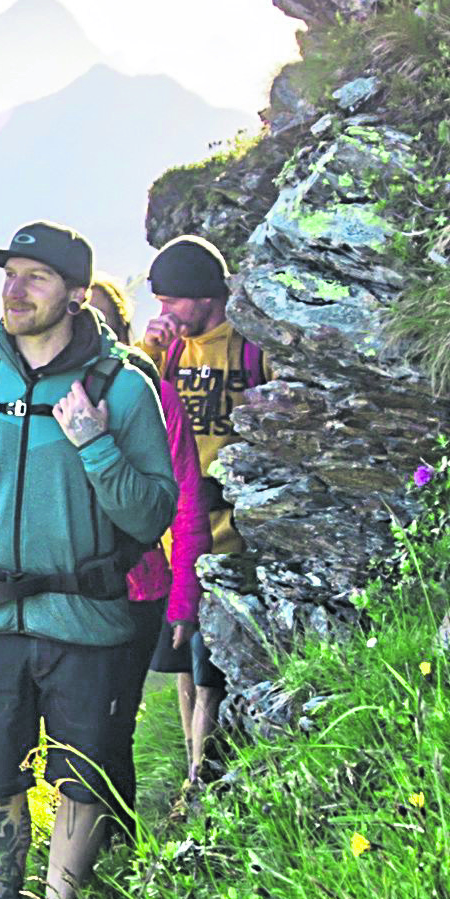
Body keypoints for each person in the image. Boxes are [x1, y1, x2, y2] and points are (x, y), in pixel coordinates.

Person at [0, 220, 179, 899]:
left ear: (78, 294)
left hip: (89, 623)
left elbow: (153, 513)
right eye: (9, 274)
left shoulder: (122, 391)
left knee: (81, 782)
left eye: (36, 277)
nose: (15, 289)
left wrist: (93, 445)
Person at [140, 235, 255, 798]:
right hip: (179, 538)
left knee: (209, 673)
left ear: (205, 296)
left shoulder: (250, 345)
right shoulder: (169, 352)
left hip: (233, 533)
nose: (164, 314)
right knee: (184, 668)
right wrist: (151, 358)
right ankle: (196, 772)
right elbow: (140, 420)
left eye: (172, 302)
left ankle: (199, 783)